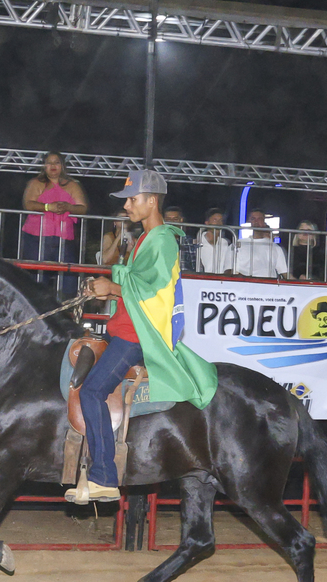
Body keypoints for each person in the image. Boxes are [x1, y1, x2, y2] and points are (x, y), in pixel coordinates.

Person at [69, 170, 218, 504]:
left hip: (136, 335)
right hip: (127, 328)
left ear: (151, 201)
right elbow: (139, 285)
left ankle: (104, 477)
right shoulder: (147, 239)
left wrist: (112, 288)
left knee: (91, 391)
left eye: (132, 200)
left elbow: (155, 295)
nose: (127, 207)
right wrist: (105, 287)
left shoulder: (162, 241)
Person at [18, 151, 88, 265]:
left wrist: (68, 207)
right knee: (36, 272)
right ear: (44, 166)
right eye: (49, 163)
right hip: (37, 237)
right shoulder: (36, 183)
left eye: (56, 163)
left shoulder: (72, 185)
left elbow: (83, 208)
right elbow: (28, 204)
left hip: (64, 238)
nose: (53, 166)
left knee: (66, 273)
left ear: (62, 166)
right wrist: (48, 207)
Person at [233, 208, 289, 279]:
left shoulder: (275, 247)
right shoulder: (239, 243)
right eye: (253, 219)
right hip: (244, 283)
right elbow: (232, 270)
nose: (256, 222)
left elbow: (284, 272)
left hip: (268, 284)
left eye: (259, 219)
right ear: (250, 221)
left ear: (264, 221)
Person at [196, 208, 233, 274]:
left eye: (220, 220)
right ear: (207, 223)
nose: (218, 223)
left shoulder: (225, 243)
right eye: (215, 220)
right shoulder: (197, 242)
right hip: (202, 278)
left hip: (221, 279)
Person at [163, 206, 198, 272]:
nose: (172, 222)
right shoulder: (159, 240)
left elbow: (195, 264)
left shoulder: (188, 241)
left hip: (185, 276)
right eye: (168, 219)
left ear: (181, 220)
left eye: (175, 219)